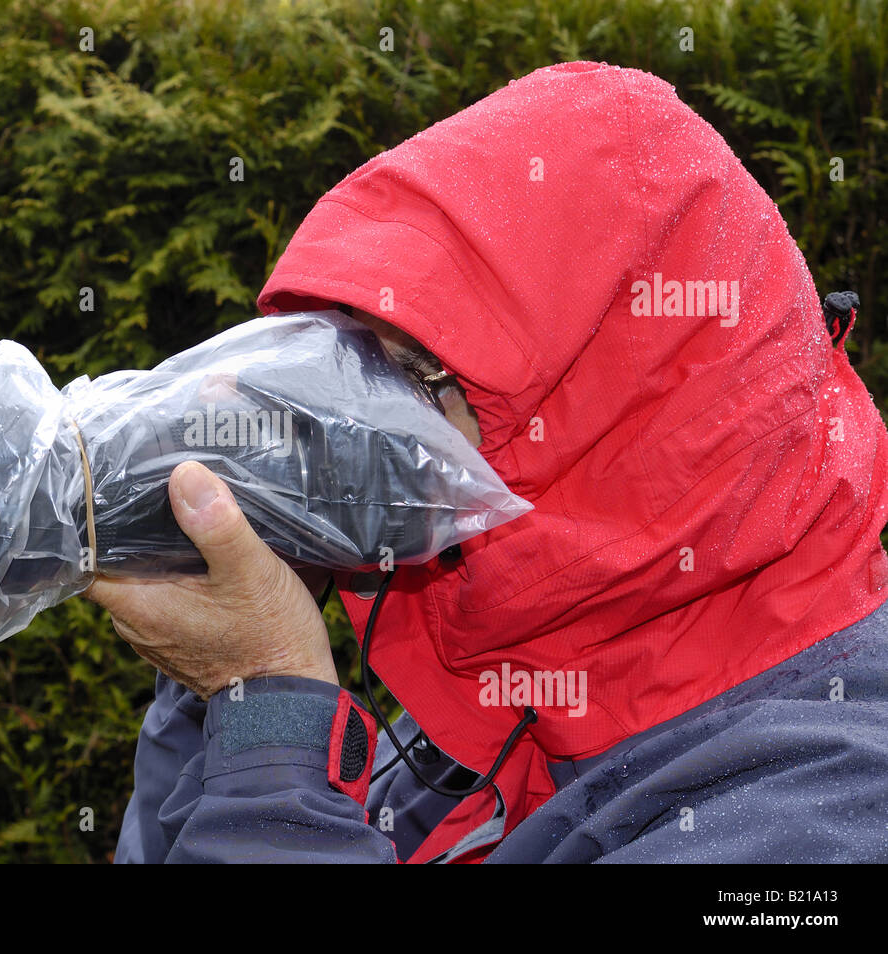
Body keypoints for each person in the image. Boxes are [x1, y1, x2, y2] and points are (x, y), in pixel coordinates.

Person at [88, 62, 888, 863]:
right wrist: (221, 687)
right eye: (341, 356)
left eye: (408, 377)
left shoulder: (834, 810)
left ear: (612, 417)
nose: (344, 421)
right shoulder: (493, 710)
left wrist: (270, 713)